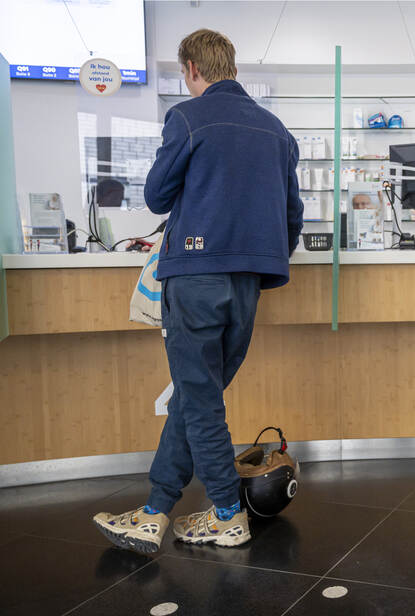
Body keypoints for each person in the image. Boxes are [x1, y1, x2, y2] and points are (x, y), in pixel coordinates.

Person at [92, 29, 303, 553]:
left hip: (196, 278)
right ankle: (154, 510)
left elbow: (158, 195)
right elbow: (292, 217)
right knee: (196, 397)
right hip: (248, 285)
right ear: (230, 64)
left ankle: (228, 515)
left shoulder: (187, 117)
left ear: (191, 69)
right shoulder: (278, 130)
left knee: (202, 404)